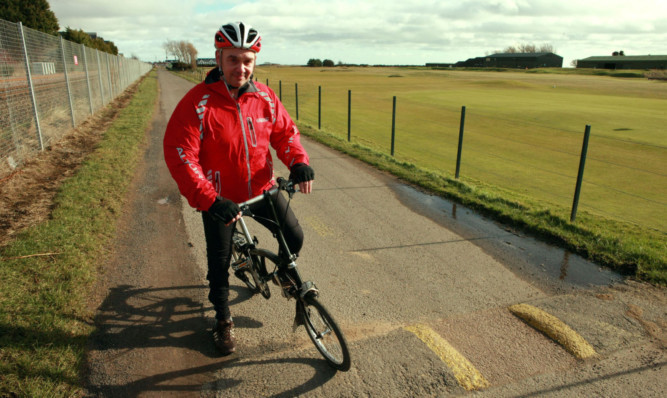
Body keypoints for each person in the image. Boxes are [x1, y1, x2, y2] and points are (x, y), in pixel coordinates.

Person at [163, 21, 314, 356]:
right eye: (233, 59)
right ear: (218, 58)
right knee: (218, 266)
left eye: (247, 60)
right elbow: (180, 153)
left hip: (261, 188)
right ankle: (222, 318)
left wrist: (298, 161)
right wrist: (209, 199)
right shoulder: (197, 102)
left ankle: (285, 274)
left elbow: (285, 134)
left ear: (254, 61)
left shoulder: (264, 97)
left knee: (295, 237)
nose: (241, 67)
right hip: (220, 200)